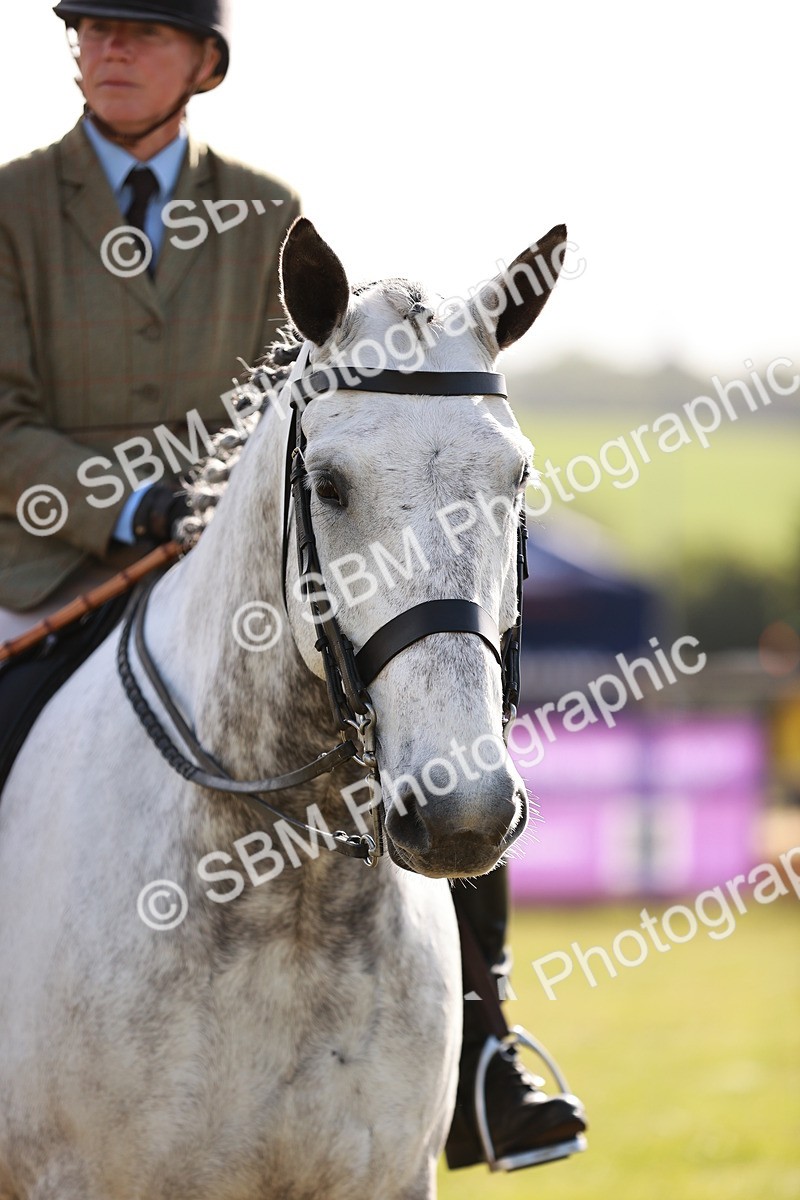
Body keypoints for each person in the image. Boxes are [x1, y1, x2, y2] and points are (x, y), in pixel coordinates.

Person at [0, 0, 586, 1171]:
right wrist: (128, 500)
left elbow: (311, 414)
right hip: (47, 563)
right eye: (91, 29)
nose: (109, 49)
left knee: (421, 741)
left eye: (139, 32)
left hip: (240, 568)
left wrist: (229, 514)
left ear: (201, 61)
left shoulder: (272, 214)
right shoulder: (9, 208)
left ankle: (483, 1046)